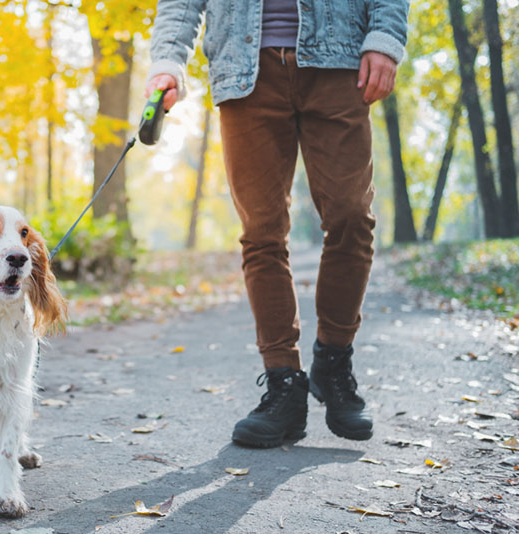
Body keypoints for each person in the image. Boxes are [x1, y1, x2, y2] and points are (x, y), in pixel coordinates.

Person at [145, 0, 409, 448]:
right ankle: (283, 383)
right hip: (244, 69)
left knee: (351, 216)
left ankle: (333, 361)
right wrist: (168, 60)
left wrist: (385, 38)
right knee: (262, 234)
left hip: (339, 60)